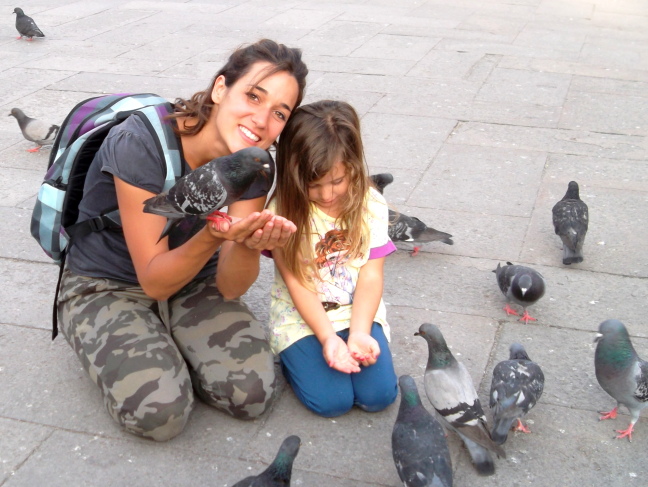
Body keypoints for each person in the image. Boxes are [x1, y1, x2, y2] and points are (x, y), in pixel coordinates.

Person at [56, 39, 308, 441]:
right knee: (161, 415)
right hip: (107, 282)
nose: (261, 120)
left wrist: (245, 243)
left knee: (253, 394)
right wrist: (212, 236)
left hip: (194, 278)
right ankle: (115, 326)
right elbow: (155, 280)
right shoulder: (140, 143)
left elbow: (230, 285)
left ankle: (169, 334)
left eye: (279, 112)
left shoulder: (254, 165)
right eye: (253, 96)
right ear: (221, 88)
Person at [268, 100, 398, 417]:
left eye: (337, 181)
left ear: (353, 166)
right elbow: (298, 283)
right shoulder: (283, 212)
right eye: (314, 185)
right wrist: (328, 338)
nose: (327, 195)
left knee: (378, 397)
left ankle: (337, 346)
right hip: (302, 317)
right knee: (331, 403)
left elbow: (370, 275)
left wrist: (360, 331)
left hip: (356, 311)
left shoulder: (371, 204)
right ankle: (292, 358)